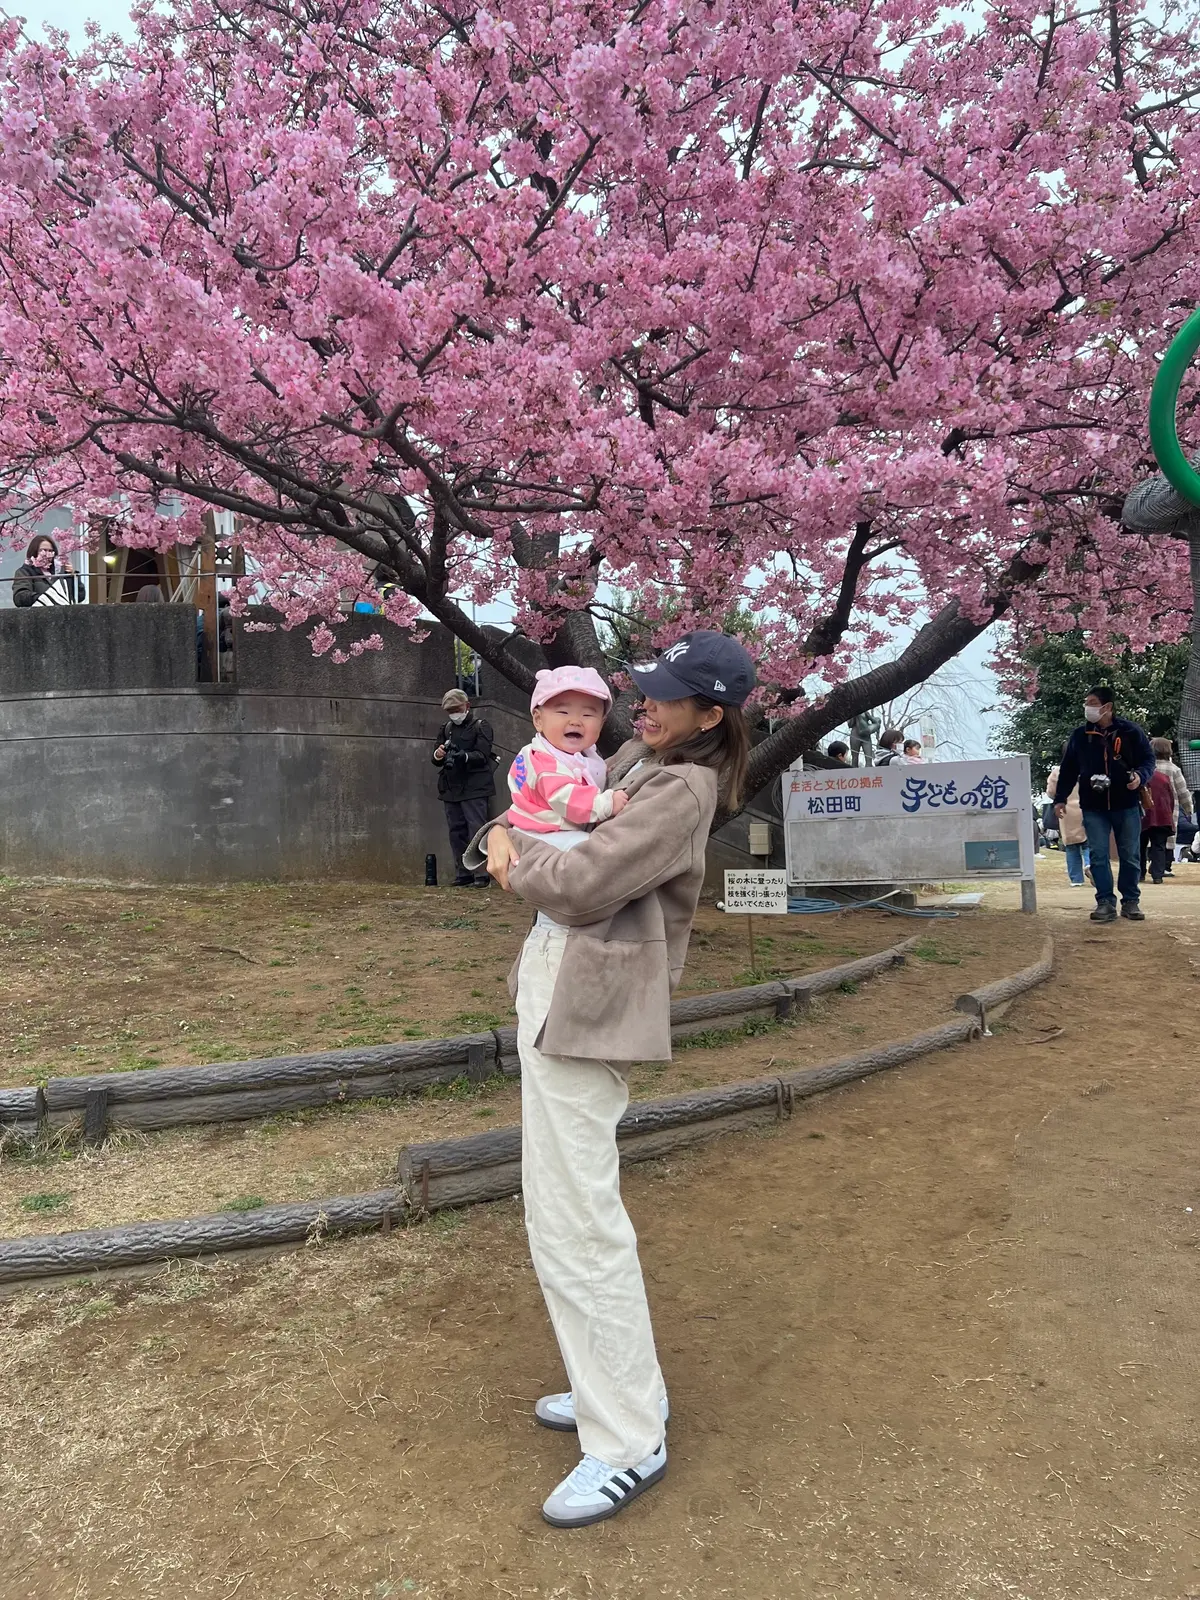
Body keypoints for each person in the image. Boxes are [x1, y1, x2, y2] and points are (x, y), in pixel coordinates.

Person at [470, 630, 755, 1529]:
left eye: (669, 698)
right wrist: (502, 836)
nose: (645, 706)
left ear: (711, 717)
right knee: (563, 1208)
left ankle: (627, 1438)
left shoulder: (681, 786)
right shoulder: (635, 756)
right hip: (561, 996)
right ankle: (620, 1391)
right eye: (648, 691)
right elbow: (525, 808)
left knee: (577, 1219)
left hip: (588, 1011)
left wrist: (517, 855)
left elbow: (584, 882)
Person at [1054, 686, 1155, 923]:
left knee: (1130, 855)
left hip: (1126, 803)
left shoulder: (1130, 731)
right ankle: (1105, 902)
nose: (1087, 707)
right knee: (1098, 855)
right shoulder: (1080, 735)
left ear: (1107, 707)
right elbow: (1069, 769)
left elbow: (1148, 760)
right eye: (1086, 702)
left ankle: (1130, 901)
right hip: (1093, 805)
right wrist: (1060, 798)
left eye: (1092, 702)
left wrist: (1140, 776)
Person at [506, 666, 630, 836]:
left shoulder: (577, 753)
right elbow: (564, 797)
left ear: (601, 723)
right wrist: (605, 804)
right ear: (538, 720)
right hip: (542, 832)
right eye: (563, 712)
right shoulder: (544, 763)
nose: (575, 721)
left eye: (587, 715)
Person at [432, 688, 496, 887]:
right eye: (450, 710)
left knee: (476, 829)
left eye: (456, 709)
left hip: (475, 786)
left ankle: (481, 874)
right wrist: (439, 754)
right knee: (456, 831)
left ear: (467, 706)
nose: (454, 714)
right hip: (452, 787)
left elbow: (483, 755)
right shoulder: (446, 728)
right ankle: (463, 873)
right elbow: (434, 758)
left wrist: (464, 756)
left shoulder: (480, 726)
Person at [1150, 736, 1193, 874]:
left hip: (1147, 810)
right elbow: (1183, 792)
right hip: (1168, 810)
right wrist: (1188, 809)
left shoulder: (1148, 767)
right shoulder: (1174, 769)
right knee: (1166, 839)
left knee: (1148, 838)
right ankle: (1164, 867)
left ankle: (1149, 862)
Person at [1046, 758, 1090, 886]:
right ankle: (1089, 864)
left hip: (1066, 810)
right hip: (1086, 808)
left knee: (1071, 846)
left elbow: (1051, 792)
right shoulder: (1088, 767)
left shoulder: (1058, 772)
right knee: (1088, 842)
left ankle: (1076, 880)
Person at [12, 534, 82, 607]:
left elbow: (79, 596)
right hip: (38, 615)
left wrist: (72, 577)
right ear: (34, 552)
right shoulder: (25, 572)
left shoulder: (60, 572)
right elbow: (20, 597)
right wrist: (47, 598)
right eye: (43, 550)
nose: (47, 554)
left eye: (51, 551)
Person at [1139, 763, 1176, 885]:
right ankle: (1158, 876)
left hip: (1142, 816)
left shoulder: (1139, 777)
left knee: (1139, 846)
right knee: (1159, 846)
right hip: (1161, 815)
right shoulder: (1163, 777)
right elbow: (1170, 798)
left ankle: (1140, 874)